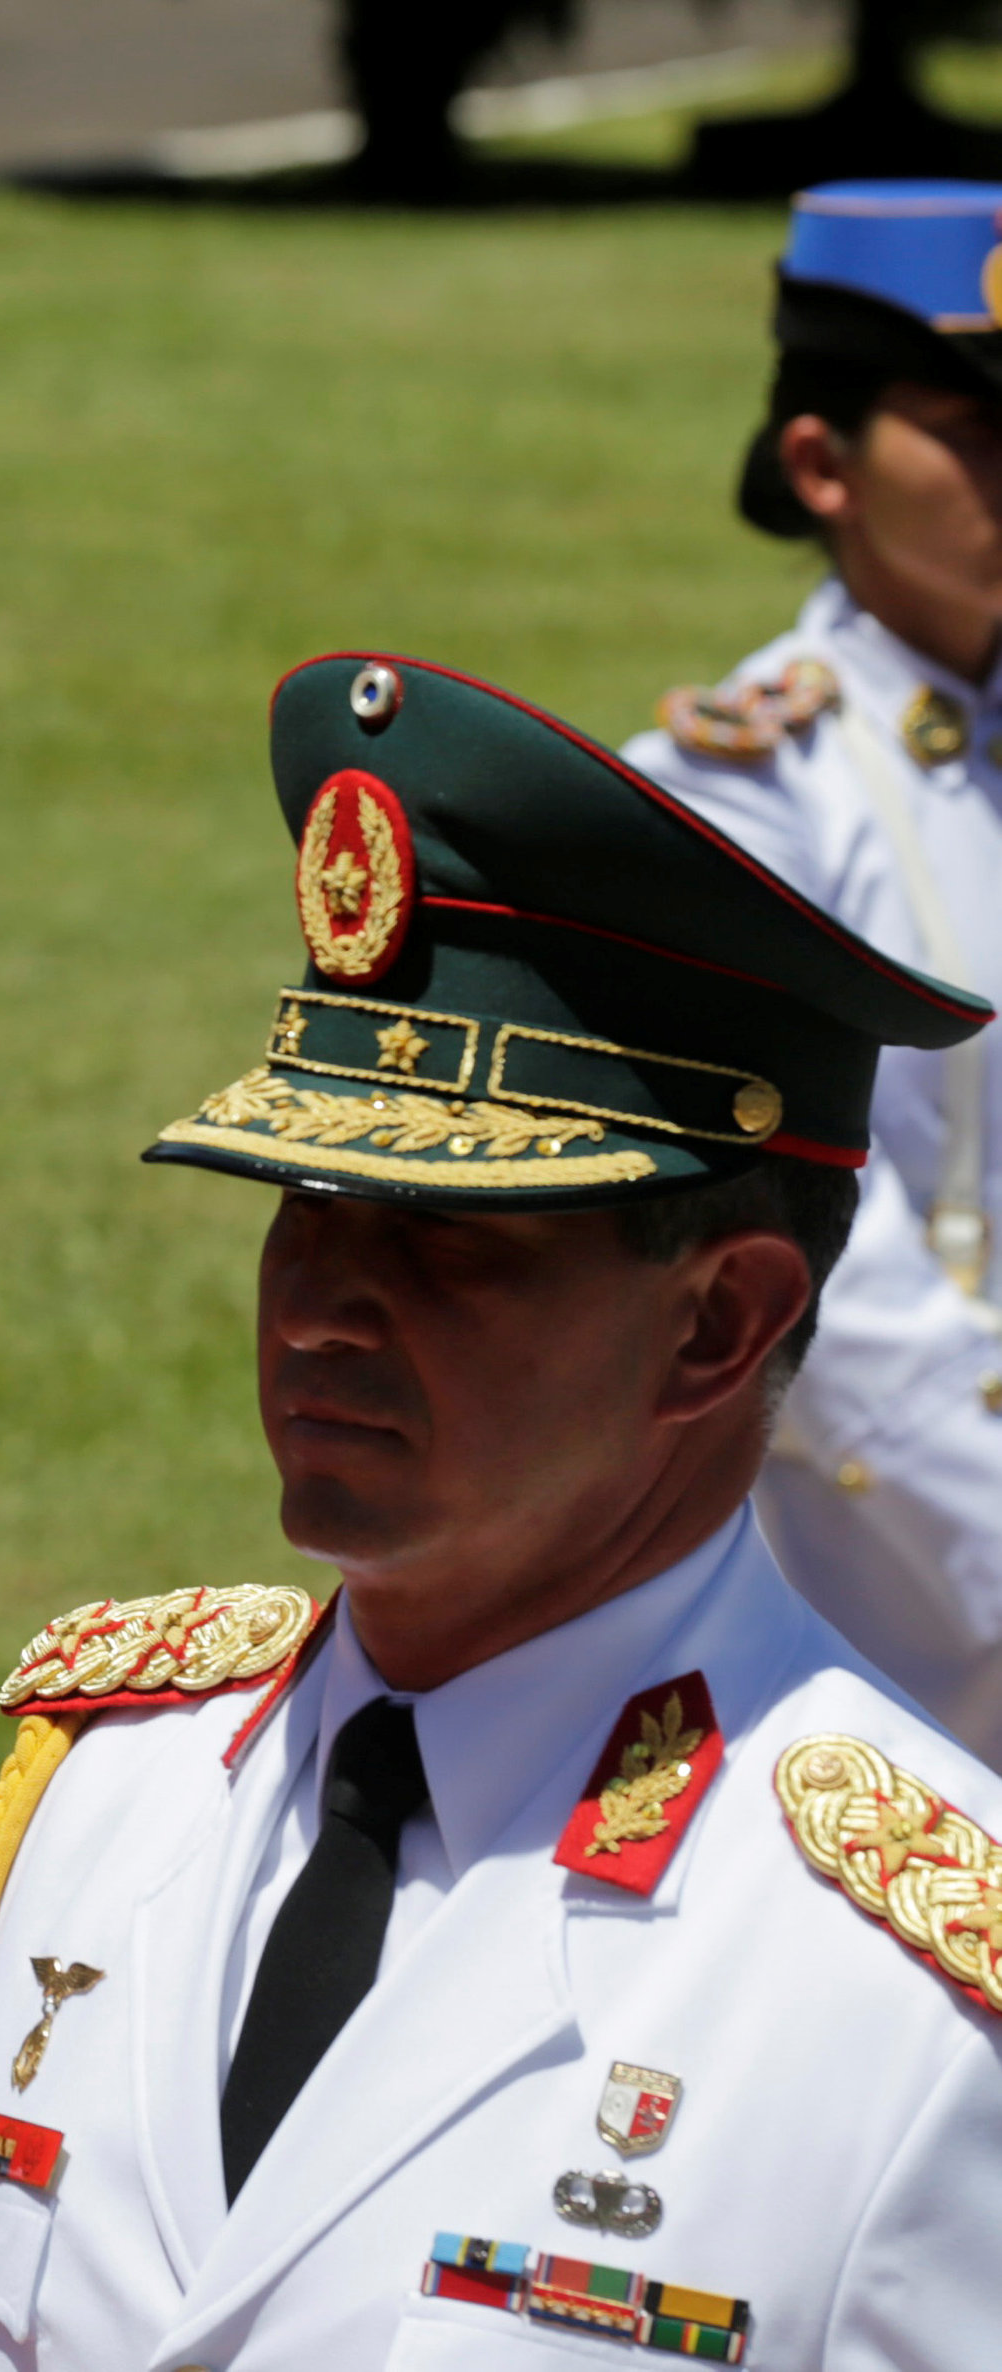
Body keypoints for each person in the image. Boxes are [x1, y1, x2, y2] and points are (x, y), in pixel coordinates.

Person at [0, 653, 1002, 2370]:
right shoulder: (105, 1791)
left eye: (451, 1237)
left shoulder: (901, 1998)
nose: (320, 1303)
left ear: (718, 1322)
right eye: (304, 1202)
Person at [626, 181, 1002, 1768]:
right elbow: (811, 1258)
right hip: (892, 1631)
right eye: (973, 425)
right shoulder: (744, 797)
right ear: (821, 464)